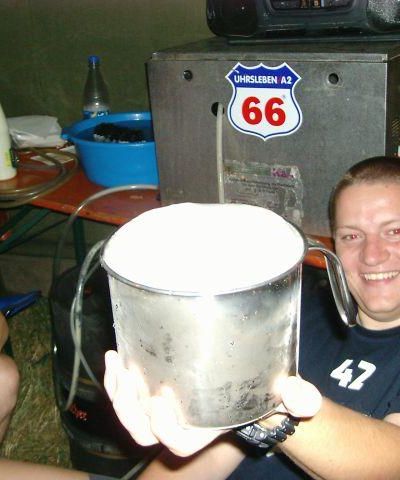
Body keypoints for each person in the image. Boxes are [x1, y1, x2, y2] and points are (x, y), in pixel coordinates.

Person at [103, 155, 400, 479]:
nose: (372, 255)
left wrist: (268, 408)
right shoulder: (296, 313)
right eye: (351, 236)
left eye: (394, 231)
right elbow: (217, 452)